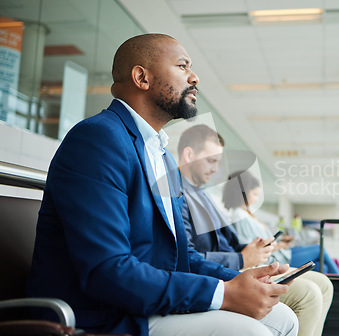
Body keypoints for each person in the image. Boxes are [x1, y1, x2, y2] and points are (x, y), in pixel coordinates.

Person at [27, 34, 298, 336]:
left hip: (146, 302)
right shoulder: (97, 139)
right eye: (183, 66)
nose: (194, 77)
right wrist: (224, 293)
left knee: (285, 319)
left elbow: (180, 257)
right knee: (253, 332)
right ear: (141, 77)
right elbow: (106, 270)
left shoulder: (163, 155)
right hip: (103, 315)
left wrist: (241, 279)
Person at [178, 124, 333, 336]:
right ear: (189, 155)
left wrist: (253, 249)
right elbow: (186, 257)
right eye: (211, 160)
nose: (216, 169)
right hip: (222, 273)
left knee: (324, 284)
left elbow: (230, 242)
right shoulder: (176, 195)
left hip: (237, 265)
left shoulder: (203, 195)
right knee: (308, 294)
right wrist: (242, 259)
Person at [222, 171, 339, 275]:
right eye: (255, 194)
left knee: (322, 267)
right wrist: (278, 246)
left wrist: (280, 243)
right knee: (319, 249)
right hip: (273, 260)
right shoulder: (239, 215)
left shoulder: (246, 213)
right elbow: (249, 248)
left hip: (279, 254)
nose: (256, 199)